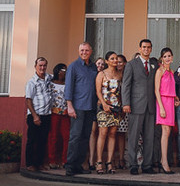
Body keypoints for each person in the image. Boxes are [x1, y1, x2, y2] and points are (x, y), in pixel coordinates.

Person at [121, 38, 158, 175]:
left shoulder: (154, 64)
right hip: (135, 105)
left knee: (149, 137)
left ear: (151, 49)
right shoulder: (131, 64)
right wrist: (126, 103)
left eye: (148, 47)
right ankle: (133, 165)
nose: (146, 49)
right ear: (139, 48)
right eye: (144, 47)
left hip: (151, 106)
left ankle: (147, 165)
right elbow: (126, 85)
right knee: (134, 137)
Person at [64, 43, 98, 176]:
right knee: (75, 136)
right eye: (82, 50)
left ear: (91, 51)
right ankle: (70, 165)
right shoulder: (73, 66)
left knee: (85, 137)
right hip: (77, 107)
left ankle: (78, 164)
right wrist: (69, 105)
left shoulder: (93, 67)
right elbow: (69, 87)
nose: (84, 52)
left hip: (90, 107)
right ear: (79, 52)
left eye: (86, 50)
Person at [94, 52, 125, 173]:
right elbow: (98, 91)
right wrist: (104, 104)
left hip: (116, 108)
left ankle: (109, 162)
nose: (115, 60)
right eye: (112, 58)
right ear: (107, 61)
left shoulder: (120, 74)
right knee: (103, 133)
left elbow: (121, 92)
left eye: (116, 58)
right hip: (103, 108)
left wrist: (122, 107)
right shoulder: (101, 74)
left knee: (113, 134)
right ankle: (99, 161)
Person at [24, 57, 54, 172]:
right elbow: (28, 100)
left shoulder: (48, 78)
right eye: (40, 65)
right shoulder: (32, 83)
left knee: (43, 141)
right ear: (35, 66)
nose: (42, 68)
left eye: (44, 65)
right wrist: (35, 116)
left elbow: (59, 75)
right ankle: (30, 164)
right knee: (32, 141)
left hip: (47, 115)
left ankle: (39, 163)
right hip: (35, 115)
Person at [154, 47, 178, 174]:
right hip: (162, 101)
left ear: (172, 57)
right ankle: (164, 162)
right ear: (162, 58)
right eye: (165, 56)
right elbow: (156, 90)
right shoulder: (160, 71)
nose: (167, 58)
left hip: (170, 102)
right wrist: (161, 107)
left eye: (169, 56)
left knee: (168, 132)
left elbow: (171, 88)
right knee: (165, 131)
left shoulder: (172, 72)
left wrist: (176, 98)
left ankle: (164, 160)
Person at [48, 63, 69, 169]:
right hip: (54, 113)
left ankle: (64, 160)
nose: (63, 72)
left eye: (65, 70)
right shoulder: (51, 83)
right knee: (53, 137)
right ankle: (52, 160)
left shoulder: (68, 83)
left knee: (66, 137)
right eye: (61, 70)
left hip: (65, 114)